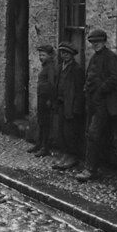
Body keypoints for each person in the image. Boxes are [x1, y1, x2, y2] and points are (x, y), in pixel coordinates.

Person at [76, 28, 117, 183]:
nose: (95, 45)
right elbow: (90, 75)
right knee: (90, 133)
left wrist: (101, 90)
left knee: (94, 134)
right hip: (92, 102)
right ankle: (94, 165)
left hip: (104, 103)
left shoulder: (110, 57)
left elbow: (115, 79)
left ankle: (90, 169)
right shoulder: (94, 58)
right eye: (92, 42)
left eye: (98, 42)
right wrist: (85, 88)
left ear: (104, 42)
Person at [50, 43, 85, 172]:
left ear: (72, 55)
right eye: (62, 53)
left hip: (71, 105)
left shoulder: (77, 69)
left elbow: (79, 91)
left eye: (67, 53)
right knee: (62, 131)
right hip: (61, 104)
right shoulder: (60, 67)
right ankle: (64, 155)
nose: (64, 55)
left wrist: (76, 108)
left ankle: (72, 156)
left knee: (70, 132)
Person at [27, 45, 58, 157]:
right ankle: (39, 144)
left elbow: (52, 84)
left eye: (43, 55)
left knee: (45, 123)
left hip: (46, 99)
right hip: (42, 98)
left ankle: (45, 147)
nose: (41, 57)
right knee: (41, 121)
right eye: (40, 55)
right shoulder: (45, 66)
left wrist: (50, 99)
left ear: (50, 56)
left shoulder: (50, 67)